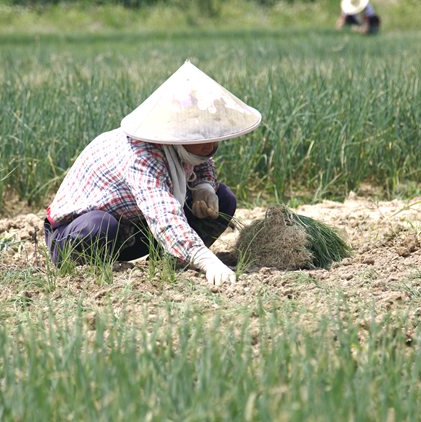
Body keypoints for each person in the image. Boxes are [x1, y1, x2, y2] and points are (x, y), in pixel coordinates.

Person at [43, 61, 262, 287]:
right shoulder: (142, 155)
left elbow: (202, 162)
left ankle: (171, 260)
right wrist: (205, 259)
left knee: (223, 199)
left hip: (133, 227)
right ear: (179, 132)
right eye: (200, 136)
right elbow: (163, 215)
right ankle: (87, 268)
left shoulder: (187, 147)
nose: (210, 143)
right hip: (77, 232)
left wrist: (204, 188)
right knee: (101, 226)